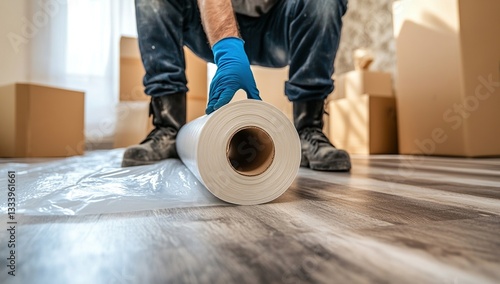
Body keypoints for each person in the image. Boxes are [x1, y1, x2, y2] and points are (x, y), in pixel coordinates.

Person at [122, 0, 351, 172]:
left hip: (277, 28)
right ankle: (168, 128)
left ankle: (308, 130)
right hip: (210, 23)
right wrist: (228, 49)